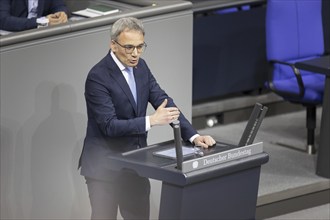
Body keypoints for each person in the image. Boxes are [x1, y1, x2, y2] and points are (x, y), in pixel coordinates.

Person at [79, 17, 216, 220]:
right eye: (129, 47)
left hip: (135, 165)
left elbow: (163, 101)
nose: (135, 54)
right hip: (104, 169)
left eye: (140, 47)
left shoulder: (141, 67)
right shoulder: (98, 76)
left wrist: (194, 136)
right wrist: (151, 121)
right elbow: (109, 126)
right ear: (113, 45)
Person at [0, 0, 69, 32]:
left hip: (40, 35)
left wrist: (61, 14)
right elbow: (3, 20)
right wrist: (41, 22)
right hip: (14, 37)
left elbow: (59, 5)